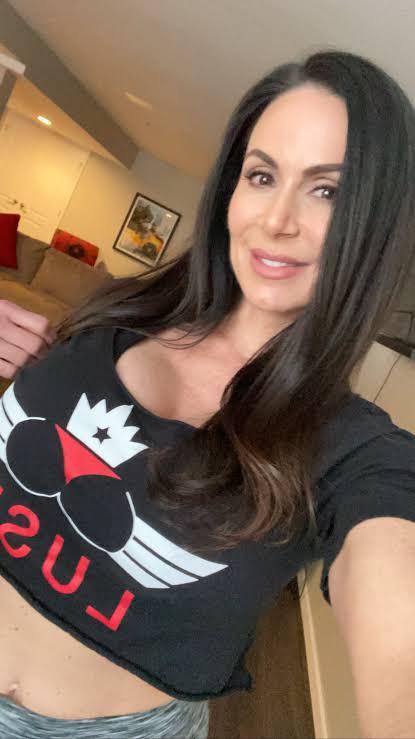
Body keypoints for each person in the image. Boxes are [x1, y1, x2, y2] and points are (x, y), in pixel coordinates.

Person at [0, 48, 415, 739]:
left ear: (376, 227)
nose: (275, 219)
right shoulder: (113, 315)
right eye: (262, 176)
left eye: (328, 192)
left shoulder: (354, 453)